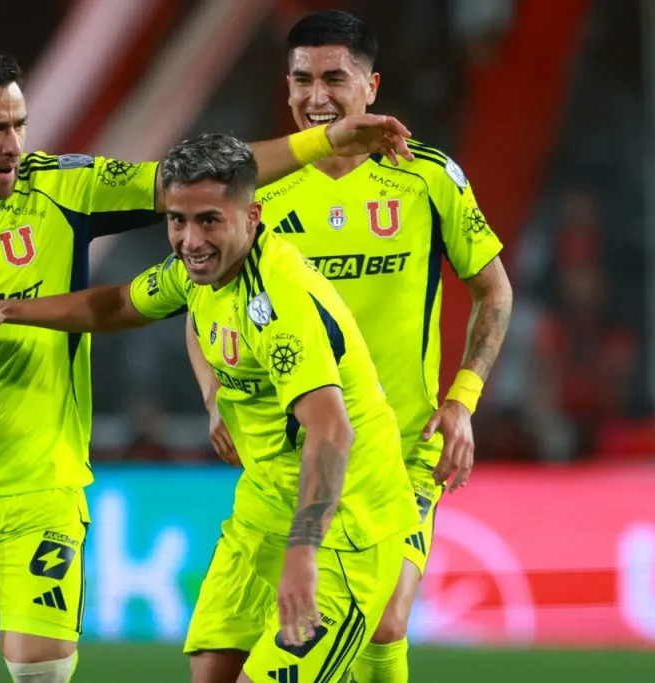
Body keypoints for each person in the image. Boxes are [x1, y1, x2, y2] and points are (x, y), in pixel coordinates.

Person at [0, 46, 415, 683]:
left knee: (40, 667)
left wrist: (326, 142)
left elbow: (187, 184)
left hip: (42, 477)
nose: (15, 142)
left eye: (20, 123)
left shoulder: (63, 187)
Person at [0, 133, 421, 683]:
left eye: (209, 220)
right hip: (264, 506)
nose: (190, 240)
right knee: (211, 669)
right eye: (178, 220)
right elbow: (118, 303)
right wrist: (8, 309)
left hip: (344, 524)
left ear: (252, 215)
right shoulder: (198, 273)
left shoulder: (278, 302)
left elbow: (331, 432)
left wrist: (304, 553)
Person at [183, 11, 514, 683]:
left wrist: (463, 400)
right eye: (302, 79)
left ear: (371, 85)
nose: (317, 96)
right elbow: (199, 302)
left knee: (386, 621)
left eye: (335, 78)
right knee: (252, 649)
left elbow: (495, 292)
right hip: (292, 458)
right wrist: (214, 394)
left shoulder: (426, 179)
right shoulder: (259, 189)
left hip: (400, 448)